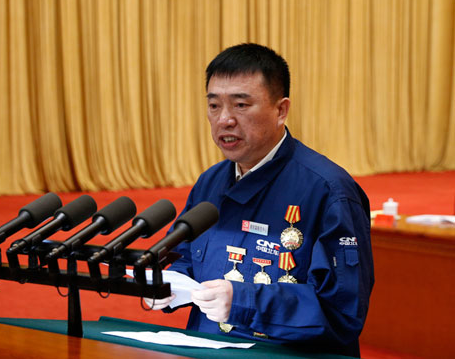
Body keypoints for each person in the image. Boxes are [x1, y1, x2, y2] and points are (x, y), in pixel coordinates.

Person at [146, 43, 374, 357]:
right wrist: (167, 283)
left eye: (241, 105)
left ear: (281, 111)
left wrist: (243, 301)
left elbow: (342, 312)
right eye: (214, 106)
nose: (224, 120)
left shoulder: (329, 191)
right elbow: (185, 257)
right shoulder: (210, 182)